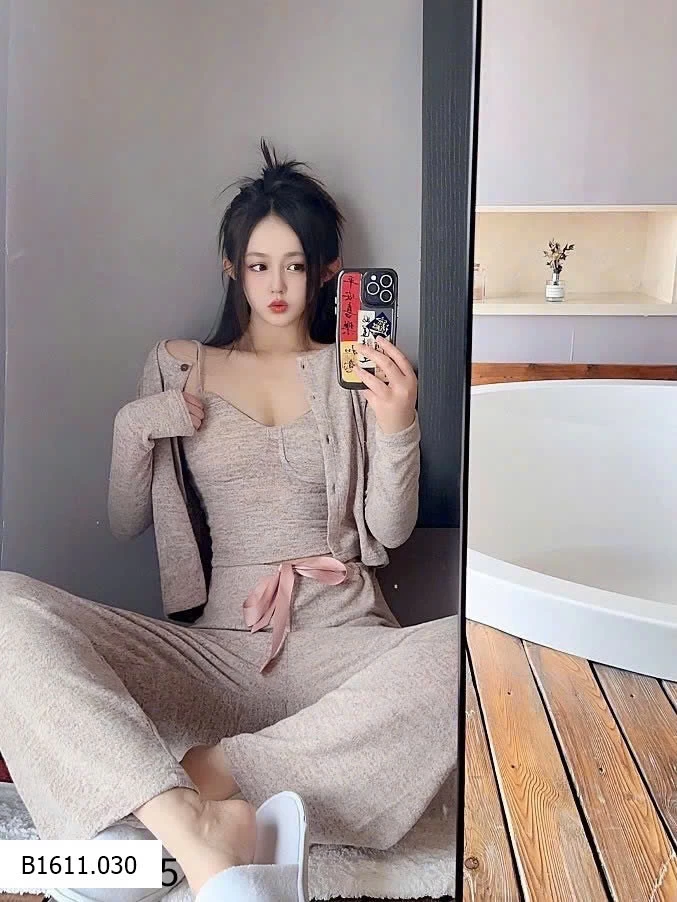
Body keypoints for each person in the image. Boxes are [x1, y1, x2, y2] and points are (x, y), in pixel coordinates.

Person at [0, 140, 457, 900]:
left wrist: (397, 424)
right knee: (4, 610)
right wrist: (132, 426)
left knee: (478, 648)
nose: (276, 285)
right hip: (215, 655)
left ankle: (207, 777)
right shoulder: (177, 364)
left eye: (295, 266)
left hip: (348, 650)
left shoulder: (355, 368)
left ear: (325, 272)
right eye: (258, 264)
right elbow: (124, 521)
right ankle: (192, 823)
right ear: (231, 269)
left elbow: (388, 529)